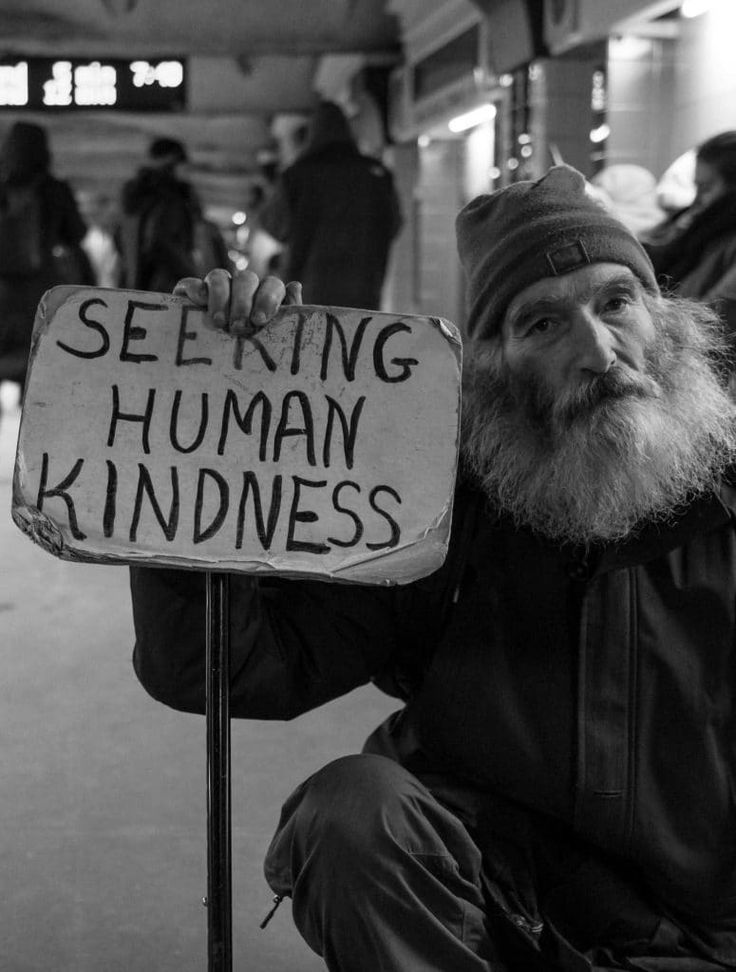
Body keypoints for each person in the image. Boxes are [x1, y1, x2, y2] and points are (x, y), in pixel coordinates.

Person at [130, 164, 736, 971]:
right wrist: (224, 440)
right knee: (349, 813)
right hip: (490, 914)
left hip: (698, 936)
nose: (597, 352)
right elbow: (229, 667)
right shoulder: (435, 514)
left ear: (665, 319)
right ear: (496, 368)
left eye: (616, 303)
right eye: (543, 326)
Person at [258, 100, 402, 309]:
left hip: (308, 294)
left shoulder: (297, 175)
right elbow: (394, 225)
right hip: (365, 291)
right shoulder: (378, 174)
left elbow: (272, 223)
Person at [0, 121, 90, 417]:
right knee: (40, 357)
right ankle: (36, 437)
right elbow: (76, 233)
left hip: (2, 290)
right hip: (40, 289)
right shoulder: (54, 189)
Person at [643, 131, 736, 335]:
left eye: (706, 188)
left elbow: (717, 316)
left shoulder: (722, 235)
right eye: (696, 187)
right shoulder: (696, 223)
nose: (698, 199)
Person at [118, 136, 200, 293]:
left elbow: (120, 239)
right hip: (166, 288)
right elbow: (161, 241)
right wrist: (191, 275)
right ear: (172, 161)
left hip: (134, 284)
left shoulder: (137, 196)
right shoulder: (170, 197)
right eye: (183, 162)